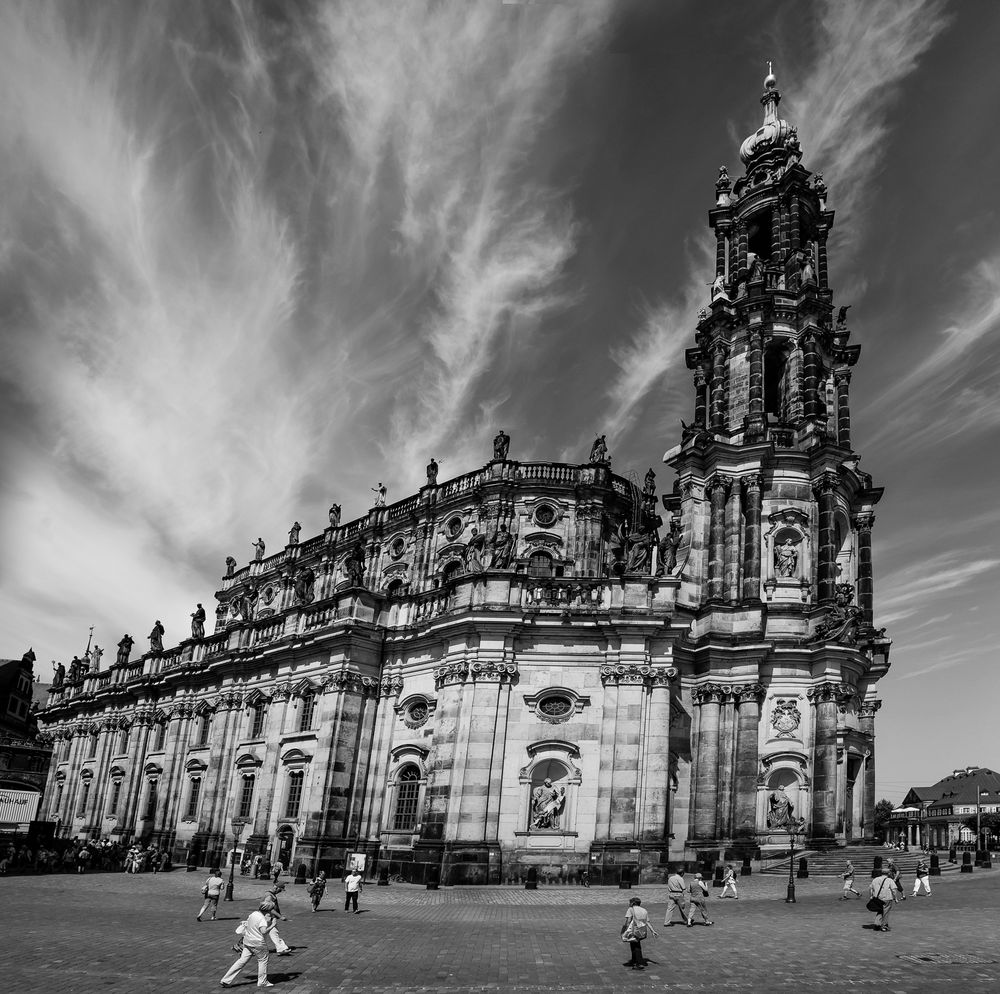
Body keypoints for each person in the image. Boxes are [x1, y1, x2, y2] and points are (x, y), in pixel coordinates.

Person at [220, 906, 274, 988]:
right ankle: (262, 981)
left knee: (241, 961)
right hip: (258, 943)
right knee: (263, 960)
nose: (271, 913)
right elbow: (264, 931)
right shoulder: (262, 919)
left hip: (247, 941)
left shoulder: (254, 914)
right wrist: (272, 925)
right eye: (270, 911)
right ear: (267, 911)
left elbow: (249, 923)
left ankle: (225, 980)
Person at [622, 896, 657, 971]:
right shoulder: (644, 910)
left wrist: (625, 930)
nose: (629, 904)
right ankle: (634, 960)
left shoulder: (631, 909)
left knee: (636, 946)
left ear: (633, 903)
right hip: (642, 930)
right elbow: (647, 922)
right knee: (635, 944)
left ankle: (638, 963)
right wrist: (653, 931)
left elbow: (628, 921)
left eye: (630, 902)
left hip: (634, 930)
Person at [258, 883, 292, 956]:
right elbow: (269, 908)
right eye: (280, 890)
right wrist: (280, 916)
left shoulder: (271, 895)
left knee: (274, 933)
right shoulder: (269, 896)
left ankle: (281, 949)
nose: (280, 892)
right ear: (276, 888)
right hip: (267, 917)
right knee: (261, 934)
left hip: (269, 917)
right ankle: (244, 946)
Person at [869, 865, 899, 932]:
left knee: (880, 910)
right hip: (887, 898)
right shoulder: (889, 880)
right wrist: (895, 898)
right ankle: (884, 926)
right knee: (886, 911)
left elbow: (871, 889)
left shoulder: (875, 879)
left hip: (877, 898)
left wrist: (871, 896)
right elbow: (894, 890)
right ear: (888, 873)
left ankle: (877, 924)